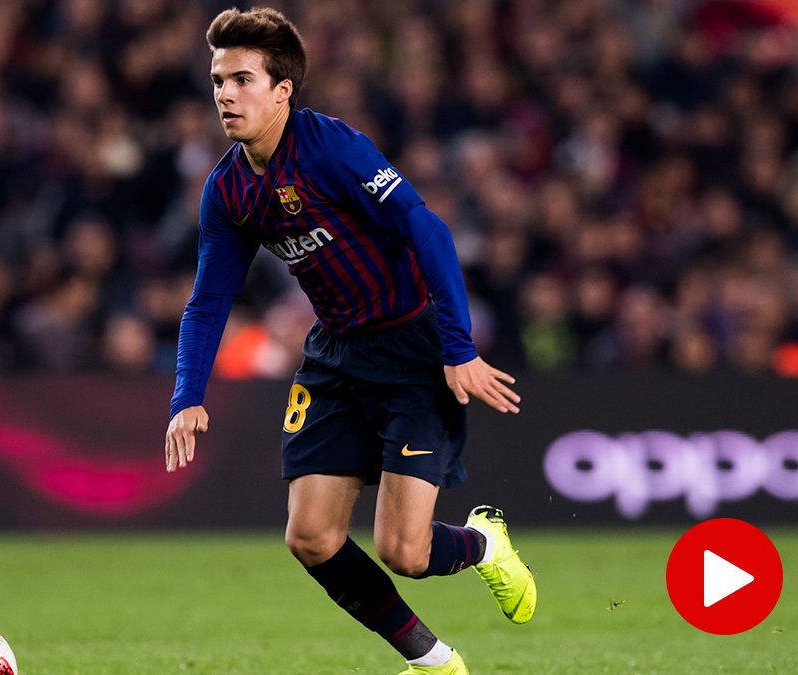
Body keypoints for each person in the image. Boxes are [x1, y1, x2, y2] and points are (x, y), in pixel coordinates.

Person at [164, 8, 536, 674]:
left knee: (406, 551)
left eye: (242, 79)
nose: (224, 93)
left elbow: (428, 230)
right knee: (310, 537)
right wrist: (186, 394)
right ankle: (434, 661)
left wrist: (458, 347)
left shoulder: (332, 148)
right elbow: (210, 297)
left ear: (282, 90)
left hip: (412, 349)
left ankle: (484, 544)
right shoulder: (228, 189)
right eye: (219, 79)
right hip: (335, 354)